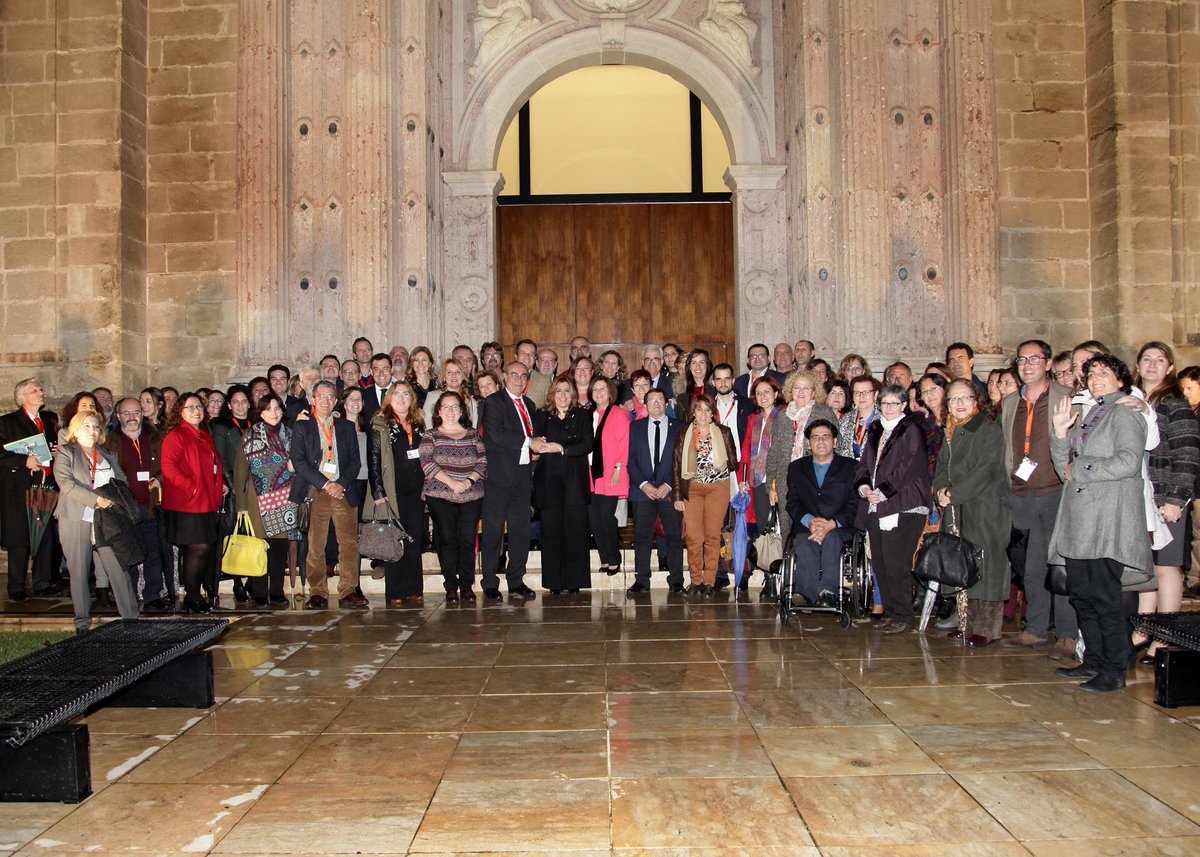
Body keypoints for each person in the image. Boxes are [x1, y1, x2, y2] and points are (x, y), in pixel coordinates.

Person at [1048, 354, 1150, 691]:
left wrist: (1082, 468)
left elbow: (1128, 462)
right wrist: (1060, 433)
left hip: (1107, 520)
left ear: (1121, 380)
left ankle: (1114, 669)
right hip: (1080, 521)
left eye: (1104, 372)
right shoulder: (1091, 414)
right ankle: (1092, 660)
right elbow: (1065, 467)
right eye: (1091, 373)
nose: (1096, 378)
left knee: (1105, 598)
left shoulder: (1125, 412)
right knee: (1082, 595)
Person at [1000, 340, 1079, 658]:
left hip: (1055, 491)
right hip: (1021, 493)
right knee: (1030, 565)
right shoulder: (1009, 403)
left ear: (1048, 364)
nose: (1027, 364)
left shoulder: (1066, 397)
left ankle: (1067, 634)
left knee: (1059, 564)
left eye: (1035, 358)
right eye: (1022, 359)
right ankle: (1034, 628)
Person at [932, 380, 1012, 647]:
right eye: (954, 399)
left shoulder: (987, 430)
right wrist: (940, 490)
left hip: (984, 507)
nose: (960, 403)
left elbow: (986, 470)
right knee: (963, 566)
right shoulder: (952, 431)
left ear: (976, 400)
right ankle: (967, 623)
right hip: (958, 507)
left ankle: (987, 629)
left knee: (986, 567)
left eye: (965, 397)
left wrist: (954, 493)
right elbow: (942, 466)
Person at [1134, 341, 1200, 662]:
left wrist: (1176, 498)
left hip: (1166, 497)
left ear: (1170, 367)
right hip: (1139, 496)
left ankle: (1166, 635)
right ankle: (1145, 629)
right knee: (1146, 566)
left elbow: (1187, 454)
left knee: (1167, 567)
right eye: (1146, 359)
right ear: (1137, 365)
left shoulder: (1175, 403)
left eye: (1159, 360)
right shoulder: (1132, 400)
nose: (1152, 365)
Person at [854, 383, 931, 634]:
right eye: (884, 403)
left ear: (904, 406)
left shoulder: (911, 429)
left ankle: (904, 616)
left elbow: (910, 466)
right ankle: (890, 611)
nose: (888, 408)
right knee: (881, 561)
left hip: (904, 504)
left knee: (897, 562)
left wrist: (883, 491)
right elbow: (865, 463)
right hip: (877, 504)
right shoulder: (876, 428)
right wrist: (864, 486)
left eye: (894, 404)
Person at [55, 411, 140, 631]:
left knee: (119, 568)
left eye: (95, 426)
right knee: (80, 571)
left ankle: (131, 620)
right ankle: (82, 622)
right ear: (75, 429)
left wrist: (111, 501)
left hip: (107, 519)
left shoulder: (108, 454)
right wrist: (96, 500)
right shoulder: (66, 453)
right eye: (86, 426)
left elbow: (121, 481)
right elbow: (66, 483)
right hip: (77, 516)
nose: (92, 431)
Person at [289, 381, 367, 609]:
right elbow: (299, 461)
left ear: (335, 401)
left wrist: (340, 483)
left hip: (343, 490)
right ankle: (318, 591)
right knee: (316, 543)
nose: (325, 400)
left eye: (330, 397)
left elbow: (355, 462)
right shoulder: (302, 426)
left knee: (349, 543)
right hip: (316, 490)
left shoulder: (345, 426)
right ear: (312, 400)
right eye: (321, 396)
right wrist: (325, 483)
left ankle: (348, 590)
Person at [160, 392, 225, 613]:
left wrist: (218, 485)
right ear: (180, 412)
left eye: (199, 406)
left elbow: (213, 465)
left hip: (205, 501)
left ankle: (195, 594)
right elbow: (169, 468)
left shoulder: (204, 435)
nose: (196, 410)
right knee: (197, 548)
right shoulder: (176, 436)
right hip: (187, 503)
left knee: (202, 549)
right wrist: (192, 486)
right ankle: (192, 596)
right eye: (190, 407)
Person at [103, 397, 171, 610]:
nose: (131, 417)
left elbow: (166, 466)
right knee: (129, 553)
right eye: (126, 413)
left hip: (151, 505)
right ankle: (128, 595)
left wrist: (158, 479)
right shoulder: (110, 441)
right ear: (118, 416)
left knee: (153, 552)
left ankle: (153, 595)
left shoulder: (156, 438)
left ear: (142, 414)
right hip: (125, 507)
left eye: (136, 412)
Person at [420, 390, 487, 602]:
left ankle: (466, 586)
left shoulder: (473, 434)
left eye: (455, 407)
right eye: (446, 407)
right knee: (447, 539)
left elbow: (483, 461)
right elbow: (427, 462)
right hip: (440, 494)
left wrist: (467, 482)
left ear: (461, 410)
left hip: (471, 494)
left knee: (467, 540)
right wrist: (452, 483)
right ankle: (450, 585)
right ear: (439, 411)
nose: (450, 411)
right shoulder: (430, 435)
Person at [481, 362, 539, 600]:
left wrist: (537, 446)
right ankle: (490, 582)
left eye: (523, 375)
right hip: (497, 478)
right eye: (514, 374)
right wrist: (529, 443)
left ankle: (516, 580)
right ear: (504, 376)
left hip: (523, 478)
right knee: (493, 532)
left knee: (520, 531)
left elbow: (532, 436)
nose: (518, 378)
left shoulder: (530, 405)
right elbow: (496, 434)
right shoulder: (494, 402)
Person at [368, 381, 429, 606]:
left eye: (405, 394)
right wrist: (378, 490)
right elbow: (373, 458)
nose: (401, 398)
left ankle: (414, 587)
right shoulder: (380, 422)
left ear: (411, 398)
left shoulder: (418, 422)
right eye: (397, 394)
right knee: (394, 540)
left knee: (414, 538)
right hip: (392, 489)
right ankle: (395, 590)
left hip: (417, 488)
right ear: (389, 398)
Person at [531, 378, 595, 593]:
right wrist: (537, 444)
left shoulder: (583, 415)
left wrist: (561, 448)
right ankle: (554, 583)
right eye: (559, 390)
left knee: (576, 532)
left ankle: (575, 582)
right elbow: (534, 441)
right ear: (552, 393)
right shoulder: (542, 415)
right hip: (548, 481)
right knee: (550, 533)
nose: (563, 395)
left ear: (573, 394)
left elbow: (587, 444)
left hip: (574, 481)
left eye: (567, 390)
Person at [232, 394, 296, 608]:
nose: (274, 413)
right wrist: (241, 506)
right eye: (269, 409)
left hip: (285, 497)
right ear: (260, 412)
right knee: (260, 547)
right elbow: (240, 471)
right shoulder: (250, 436)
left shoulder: (290, 434)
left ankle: (276, 592)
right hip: (257, 499)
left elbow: (301, 461)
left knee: (279, 549)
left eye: (277, 408)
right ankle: (259, 593)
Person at [671, 394, 738, 596]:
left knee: (712, 535)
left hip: (718, 487)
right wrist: (676, 496)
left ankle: (709, 581)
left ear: (712, 413)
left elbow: (733, 463)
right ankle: (695, 581)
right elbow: (675, 466)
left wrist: (720, 457)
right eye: (699, 409)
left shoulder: (723, 432)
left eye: (707, 409)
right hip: (692, 488)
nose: (703, 413)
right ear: (693, 412)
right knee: (693, 536)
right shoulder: (684, 434)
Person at [785, 419, 857, 606]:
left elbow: (854, 503)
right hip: (807, 526)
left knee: (832, 539)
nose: (821, 441)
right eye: (815, 437)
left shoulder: (851, 467)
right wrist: (810, 522)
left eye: (826, 436)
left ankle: (828, 592)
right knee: (802, 541)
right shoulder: (796, 468)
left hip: (839, 527)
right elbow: (792, 502)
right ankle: (805, 595)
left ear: (835, 441)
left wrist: (832, 524)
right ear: (808, 443)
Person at [626, 388, 685, 594]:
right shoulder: (634, 428)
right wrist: (644, 484)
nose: (656, 403)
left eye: (660, 399)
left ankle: (677, 580)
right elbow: (630, 460)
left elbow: (682, 461)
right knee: (642, 537)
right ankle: (642, 580)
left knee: (674, 536)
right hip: (642, 492)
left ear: (667, 403)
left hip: (669, 491)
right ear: (645, 404)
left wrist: (668, 484)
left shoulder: (680, 427)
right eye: (651, 400)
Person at [766, 370, 837, 536]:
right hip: (785, 481)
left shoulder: (824, 413)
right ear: (790, 391)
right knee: (786, 529)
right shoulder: (783, 416)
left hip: (815, 482)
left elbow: (835, 447)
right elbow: (774, 451)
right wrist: (771, 485)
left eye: (806, 388)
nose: (801, 392)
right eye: (797, 388)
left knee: (811, 527)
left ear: (814, 391)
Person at [589, 376, 630, 575]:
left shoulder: (619, 413)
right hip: (592, 474)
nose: (598, 392)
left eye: (602, 388)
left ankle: (614, 557)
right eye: (595, 389)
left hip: (611, 472)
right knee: (594, 518)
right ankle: (605, 558)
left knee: (606, 517)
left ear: (610, 391)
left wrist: (618, 468)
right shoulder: (589, 414)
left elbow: (624, 443)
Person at [740, 376, 784, 529]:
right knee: (762, 530)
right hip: (758, 479)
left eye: (767, 391)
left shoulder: (784, 416)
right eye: (759, 393)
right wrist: (743, 478)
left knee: (780, 528)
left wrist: (777, 485)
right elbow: (746, 450)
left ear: (776, 394)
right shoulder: (754, 419)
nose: (763, 396)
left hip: (779, 481)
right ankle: (765, 554)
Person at [836, 376, 879, 461]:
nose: (861, 396)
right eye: (857, 393)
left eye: (866, 392)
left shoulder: (884, 420)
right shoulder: (845, 420)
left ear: (876, 394)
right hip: (850, 470)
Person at [426, 358, 476, 426]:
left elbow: (474, 427)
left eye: (458, 372)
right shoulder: (433, 397)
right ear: (444, 377)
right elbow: (428, 425)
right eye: (449, 372)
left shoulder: (470, 401)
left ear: (463, 376)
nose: (454, 376)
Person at [673, 349, 716, 418]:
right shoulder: (682, 396)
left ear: (707, 365)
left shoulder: (716, 390)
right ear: (689, 367)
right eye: (694, 363)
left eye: (701, 362)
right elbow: (681, 423)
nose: (697, 367)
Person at [362, 353, 395, 420]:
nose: (381, 373)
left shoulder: (402, 392)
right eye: (377, 370)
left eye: (385, 369)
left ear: (391, 370)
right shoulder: (363, 395)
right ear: (371, 372)